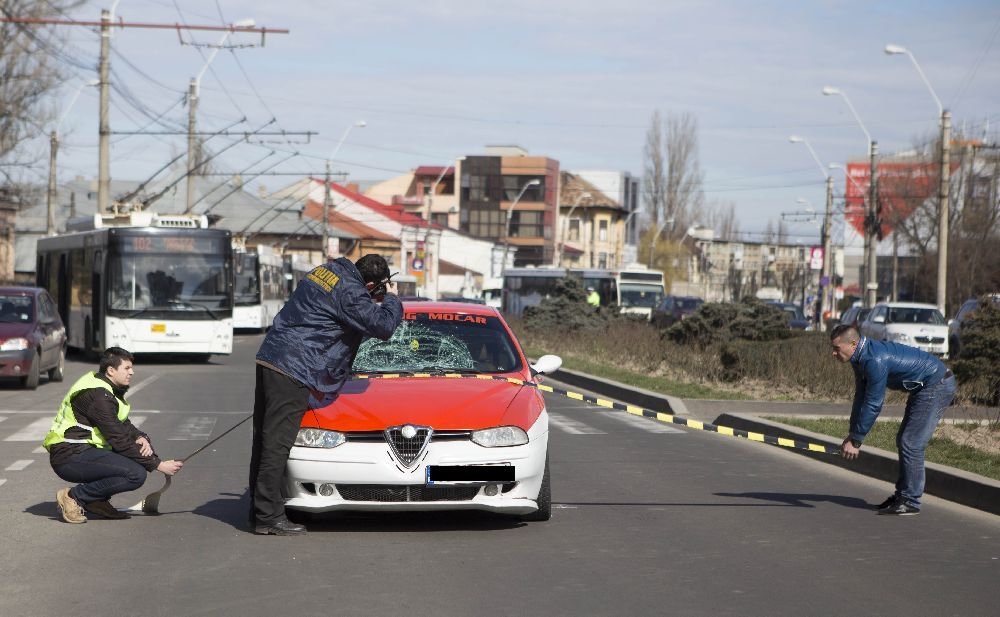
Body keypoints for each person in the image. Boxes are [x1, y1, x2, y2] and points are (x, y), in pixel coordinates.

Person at [250, 253, 403, 535]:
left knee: (265, 439)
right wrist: (392, 299)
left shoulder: (327, 271)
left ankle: (259, 512)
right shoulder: (351, 291)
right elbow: (382, 326)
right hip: (295, 365)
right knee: (277, 444)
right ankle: (269, 517)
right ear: (371, 286)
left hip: (272, 356)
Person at [43, 347, 184, 524]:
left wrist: (140, 437)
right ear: (111, 370)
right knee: (135, 474)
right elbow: (118, 439)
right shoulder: (98, 396)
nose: (131, 372)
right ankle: (73, 496)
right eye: (126, 368)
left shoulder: (103, 387)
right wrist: (158, 464)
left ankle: (94, 500)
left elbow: (122, 424)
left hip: (84, 451)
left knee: (134, 465)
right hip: (70, 456)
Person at [828, 324, 956, 515]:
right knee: (904, 440)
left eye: (836, 348)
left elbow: (874, 403)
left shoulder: (873, 360)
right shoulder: (859, 358)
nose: (833, 353)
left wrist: (857, 441)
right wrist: (853, 434)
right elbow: (860, 397)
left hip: (936, 384)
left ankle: (910, 500)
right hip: (924, 387)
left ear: (853, 344)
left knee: (911, 442)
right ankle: (902, 496)